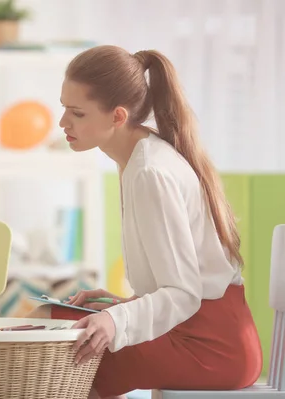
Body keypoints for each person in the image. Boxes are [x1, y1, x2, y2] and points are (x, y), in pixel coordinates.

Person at [26, 45, 262, 398]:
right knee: (53, 321)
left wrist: (116, 319)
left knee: (57, 350)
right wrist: (124, 305)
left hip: (211, 346)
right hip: (191, 331)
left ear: (117, 117)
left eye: (77, 113)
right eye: (63, 107)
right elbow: (179, 283)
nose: (63, 123)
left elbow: (184, 295)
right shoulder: (138, 159)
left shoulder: (150, 172)